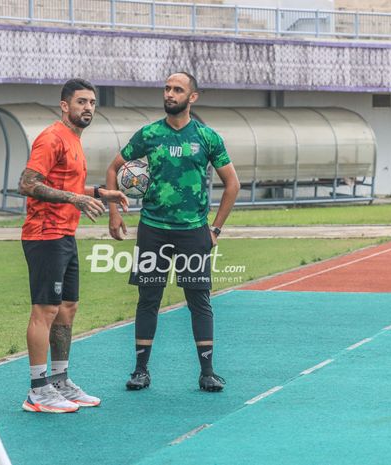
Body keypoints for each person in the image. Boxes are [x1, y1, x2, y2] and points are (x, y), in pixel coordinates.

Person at [105, 72, 240, 392]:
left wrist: (215, 229)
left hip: (193, 232)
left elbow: (232, 184)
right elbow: (113, 169)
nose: (169, 93)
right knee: (148, 298)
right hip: (153, 229)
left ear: (192, 97)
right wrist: (113, 213)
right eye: (167, 88)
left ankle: (207, 372)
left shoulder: (207, 138)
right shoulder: (149, 134)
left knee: (199, 300)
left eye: (177, 89)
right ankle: (140, 370)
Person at [18, 78, 128, 413]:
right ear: (64, 105)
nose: (88, 108)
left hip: (65, 234)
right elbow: (27, 183)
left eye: (92, 103)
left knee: (67, 308)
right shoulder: (51, 137)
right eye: (81, 102)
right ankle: (38, 390)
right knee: (46, 310)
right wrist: (75, 198)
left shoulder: (74, 140)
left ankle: (60, 380)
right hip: (44, 234)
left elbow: (69, 185)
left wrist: (99, 193)